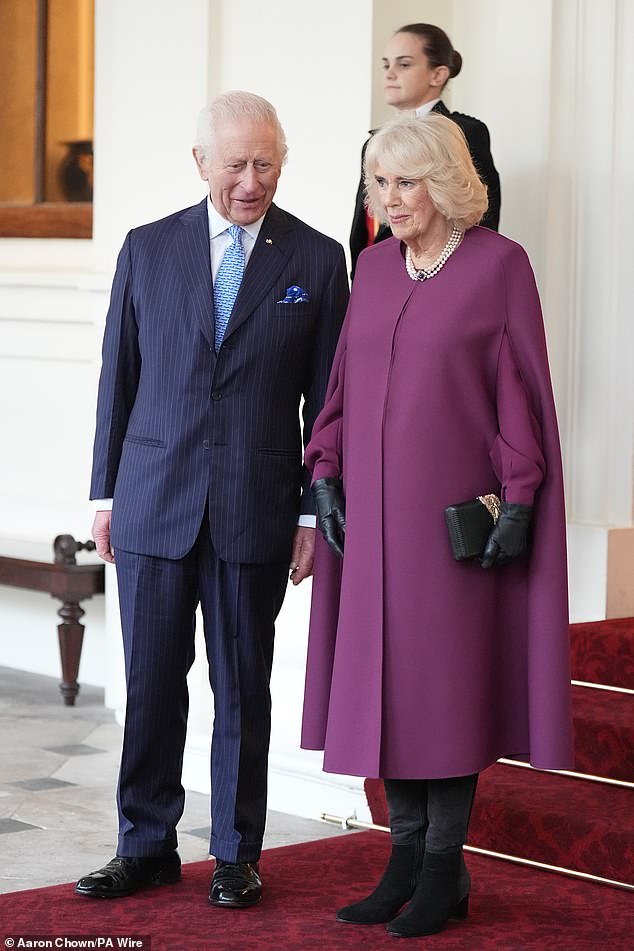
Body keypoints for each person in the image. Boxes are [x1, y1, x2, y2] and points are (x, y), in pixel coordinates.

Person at [302, 113, 573, 938]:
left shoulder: (500, 264)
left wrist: (521, 496)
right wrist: (326, 470)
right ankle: (409, 861)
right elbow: (344, 385)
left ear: (447, 183)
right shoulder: (376, 267)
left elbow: (518, 387)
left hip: (453, 524)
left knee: (442, 696)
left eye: (407, 181)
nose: (391, 198)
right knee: (387, 692)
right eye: (379, 183)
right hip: (373, 526)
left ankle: (440, 865)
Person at [76, 91, 348, 908]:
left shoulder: (315, 257)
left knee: (242, 687)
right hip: (153, 502)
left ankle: (235, 851)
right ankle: (144, 845)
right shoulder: (146, 248)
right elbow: (117, 382)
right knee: (152, 684)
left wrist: (310, 511)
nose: (251, 180)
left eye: (267, 162)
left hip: (254, 507)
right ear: (200, 162)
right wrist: (104, 495)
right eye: (236, 163)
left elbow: (327, 401)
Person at [350, 22, 501, 274]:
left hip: (441, 278)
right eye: (386, 64)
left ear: (438, 74)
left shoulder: (464, 132)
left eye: (404, 64)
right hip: (379, 276)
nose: (390, 73)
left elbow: (480, 218)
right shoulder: (374, 144)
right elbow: (365, 228)